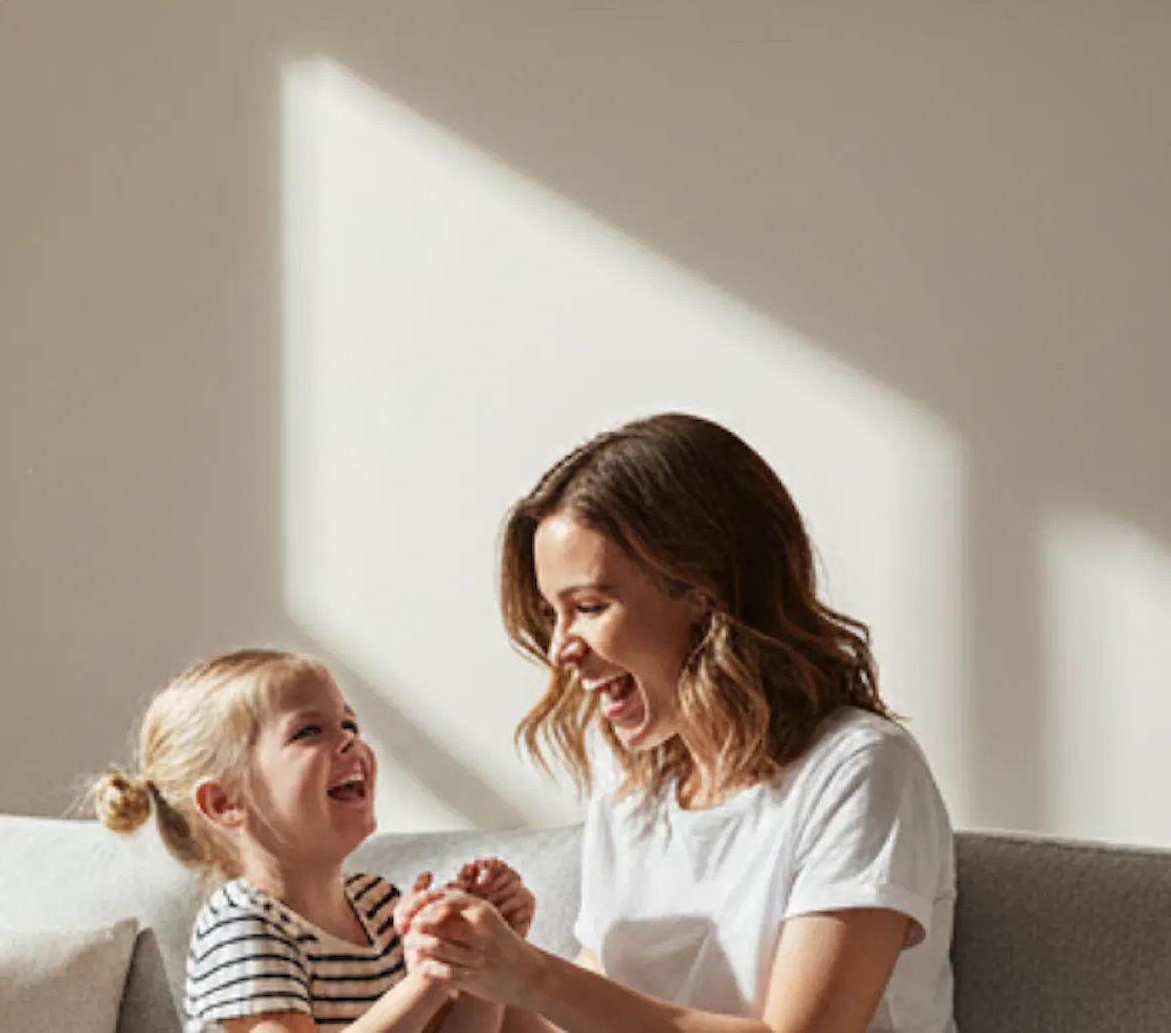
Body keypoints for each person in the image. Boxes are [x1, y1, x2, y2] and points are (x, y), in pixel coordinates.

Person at [400, 414, 956, 1033]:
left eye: (589, 607)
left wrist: (531, 975)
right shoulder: (634, 779)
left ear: (704, 593)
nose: (560, 650)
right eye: (553, 614)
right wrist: (477, 966)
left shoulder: (860, 770)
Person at [95, 647, 542, 1033]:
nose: (349, 741)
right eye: (308, 731)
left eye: (350, 724)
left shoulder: (379, 906)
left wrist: (484, 960)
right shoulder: (241, 926)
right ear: (225, 802)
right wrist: (429, 978)